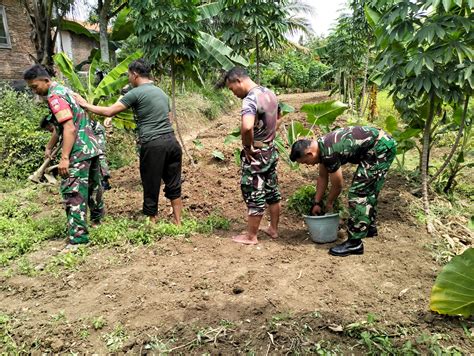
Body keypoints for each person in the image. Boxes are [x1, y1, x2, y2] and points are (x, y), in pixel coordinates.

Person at [73, 59, 183, 225]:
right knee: (173, 183)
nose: (128, 79)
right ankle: (178, 222)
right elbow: (169, 118)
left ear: (135, 74)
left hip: (153, 145)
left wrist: (84, 104)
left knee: (150, 183)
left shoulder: (136, 92)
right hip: (172, 142)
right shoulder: (161, 93)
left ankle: (152, 223)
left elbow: (109, 111)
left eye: (128, 75)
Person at [24, 64, 104, 246]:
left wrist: (65, 158)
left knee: (73, 193)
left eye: (35, 87)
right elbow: (62, 125)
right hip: (91, 147)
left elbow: (69, 127)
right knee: (93, 187)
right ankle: (98, 220)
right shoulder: (65, 90)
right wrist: (50, 146)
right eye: (31, 89)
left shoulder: (54, 97)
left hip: (77, 151)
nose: (35, 91)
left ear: (45, 80)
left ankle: (78, 240)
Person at [290, 126, 396, 256]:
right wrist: (316, 203)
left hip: (380, 147)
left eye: (306, 162)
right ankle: (368, 228)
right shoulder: (322, 147)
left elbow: (338, 185)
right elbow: (323, 177)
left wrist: (329, 203)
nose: (309, 165)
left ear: (310, 154)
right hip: (378, 144)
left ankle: (355, 243)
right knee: (368, 188)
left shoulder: (329, 153)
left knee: (358, 193)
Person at [221, 67, 282, 245]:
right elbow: (279, 117)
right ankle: (273, 229)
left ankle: (251, 236)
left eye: (232, 89)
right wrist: (269, 136)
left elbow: (247, 127)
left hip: (256, 153)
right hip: (270, 150)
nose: (233, 93)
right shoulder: (270, 93)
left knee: (253, 190)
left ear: (238, 81)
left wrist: (248, 146)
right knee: (272, 191)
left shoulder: (250, 99)